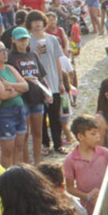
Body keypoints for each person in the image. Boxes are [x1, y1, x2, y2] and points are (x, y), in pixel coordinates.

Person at [0, 40, 29, 168]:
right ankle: (7, 180)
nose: (5, 53)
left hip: (19, 109)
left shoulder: (10, 68)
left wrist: (10, 85)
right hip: (4, 113)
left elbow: (25, 86)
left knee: (19, 147)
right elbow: (2, 95)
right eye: (1, 50)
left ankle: (18, 176)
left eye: (5, 50)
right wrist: (18, 91)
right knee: (8, 150)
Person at [26, 10, 66, 156]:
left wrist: (61, 81)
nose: (37, 24)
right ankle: (45, 143)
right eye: (33, 22)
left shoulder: (52, 39)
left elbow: (57, 60)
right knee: (40, 117)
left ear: (44, 22)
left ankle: (58, 143)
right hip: (37, 85)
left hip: (53, 82)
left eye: (39, 21)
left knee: (55, 115)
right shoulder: (28, 41)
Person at [7, 26, 48, 165]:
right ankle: (27, 162)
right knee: (24, 134)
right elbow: (9, 79)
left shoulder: (33, 55)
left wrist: (47, 91)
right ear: (13, 40)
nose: (23, 42)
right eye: (20, 40)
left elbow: (41, 76)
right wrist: (24, 78)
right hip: (22, 98)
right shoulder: (10, 57)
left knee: (38, 132)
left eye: (25, 39)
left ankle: (38, 161)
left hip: (37, 96)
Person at [63, 114, 108, 214]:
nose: (98, 136)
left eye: (98, 133)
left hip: (107, 203)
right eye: (93, 134)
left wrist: (102, 192)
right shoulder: (70, 160)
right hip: (87, 207)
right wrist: (87, 196)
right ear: (80, 136)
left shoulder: (104, 153)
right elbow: (70, 188)